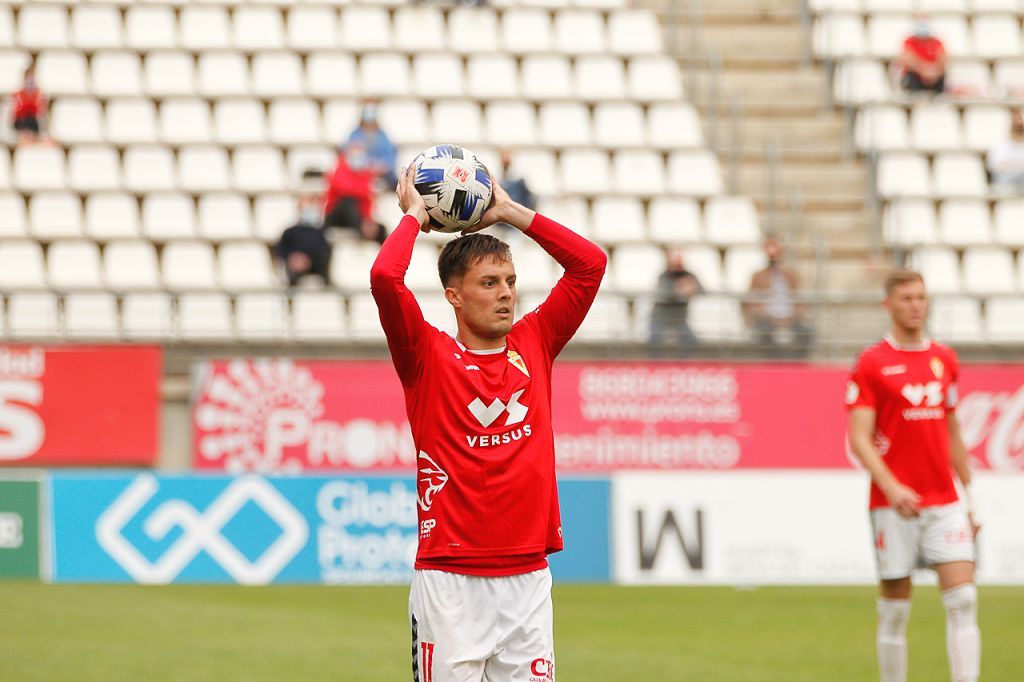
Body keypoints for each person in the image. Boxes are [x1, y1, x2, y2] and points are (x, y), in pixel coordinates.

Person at [371, 164, 606, 680]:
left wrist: (509, 213)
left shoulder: (534, 342)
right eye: (488, 282)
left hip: (527, 578)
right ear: (454, 296)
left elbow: (590, 265)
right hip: (450, 581)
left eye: (510, 281)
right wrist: (414, 216)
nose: (505, 293)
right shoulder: (426, 356)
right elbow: (384, 278)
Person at [846, 269, 980, 682]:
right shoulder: (872, 363)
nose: (915, 305)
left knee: (964, 600)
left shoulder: (945, 359)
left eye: (920, 297)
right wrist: (892, 486)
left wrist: (970, 499)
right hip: (893, 504)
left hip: (944, 500)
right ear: (888, 304)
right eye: (906, 298)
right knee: (895, 608)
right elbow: (859, 438)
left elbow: (952, 431)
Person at [744, 237, 813, 358]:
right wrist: (769, 316)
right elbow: (751, 302)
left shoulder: (790, 275)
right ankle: (772, 363)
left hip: (790, 317)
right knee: (764, 332)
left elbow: (798, 300)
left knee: (806, 332)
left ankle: (796, 363)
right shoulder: (758, 276)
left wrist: (793, 315)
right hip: (767, 318)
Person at [322, 141, 387, 245]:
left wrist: (368, 219)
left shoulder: (366, 172)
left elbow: (367, 200)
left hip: (357, 215)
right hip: (336, 214)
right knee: (349, 202)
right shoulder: (339, 168)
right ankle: (362, 228)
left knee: (381, 229)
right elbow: (343, 189)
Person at [648, 248, 701, 353]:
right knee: (654, 342)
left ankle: (684, 366)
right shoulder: (664, 275)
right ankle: (655, 366)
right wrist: (679, 290)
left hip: (680, 321)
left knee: (691, 341)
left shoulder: (689, 275)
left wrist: (693, 288)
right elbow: (664, 294)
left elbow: (702, 290)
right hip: (661, 320)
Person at [275, 194, 332, 287]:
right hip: (294, 268)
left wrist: (309, 261)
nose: (308, 210)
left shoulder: (321, 233)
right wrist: (293, 258)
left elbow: (324, 251)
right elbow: (281, 250)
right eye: (305, 207)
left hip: (315, 267)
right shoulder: (289, 232)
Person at [345, 98, 398, 189]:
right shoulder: (355, 135)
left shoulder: (383, 136)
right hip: (360, 176)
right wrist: (368, 167)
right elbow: (349, 158)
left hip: (383, 176)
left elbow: (390, 159)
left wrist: (381, 167)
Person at [898, 14, 946, 96]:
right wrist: (924, 71)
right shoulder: (910, 41)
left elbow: (943, 59)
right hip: (916, 77)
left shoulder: (936, 41)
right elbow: (908, 58)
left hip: (935, 77)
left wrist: (934, 72)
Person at [986, 109, 1024, 194]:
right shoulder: (1000, 143)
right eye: (1017, 128)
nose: (1019, 127)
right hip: (1005, 179)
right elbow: (995, 167)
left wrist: (1012, 164)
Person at [10, 66, 47, 146]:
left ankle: (33, 137)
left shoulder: (40, 95)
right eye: (28, 78)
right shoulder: (17, 95)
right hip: (21, 125)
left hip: (35, 125)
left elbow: (42, 115)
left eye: (32, 78)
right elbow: (15, 115)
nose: (30, 81)